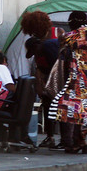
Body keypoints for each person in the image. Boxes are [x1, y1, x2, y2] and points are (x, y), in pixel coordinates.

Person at [49, 11, 87, 154]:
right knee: (82, 111)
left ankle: (73, 143)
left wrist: (58, 34)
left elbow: (63, 39)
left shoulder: (81, 33)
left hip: (80, 80)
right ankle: (80, 141)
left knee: (68, 109)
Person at [21, 10, 62, 148]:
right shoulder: (36, 41)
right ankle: (50, 137)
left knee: (60, 107)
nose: (33, 34)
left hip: (57, 76)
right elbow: (35, 60)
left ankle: (64, 138)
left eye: (34, 31)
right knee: (47, 106)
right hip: (44, 75)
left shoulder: (58, 34)